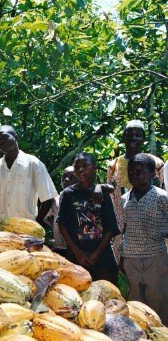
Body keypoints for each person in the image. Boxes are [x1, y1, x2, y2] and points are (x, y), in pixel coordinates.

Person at [58, 152, 120, 284]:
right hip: (75, 258)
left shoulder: (102, 194)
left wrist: (96, 254)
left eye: (85, 166)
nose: (80, 169)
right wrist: (77, 252)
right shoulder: (68, 194)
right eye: (77, 166)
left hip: (102, 259)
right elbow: (62, 225)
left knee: (107, 295)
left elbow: (111, 228)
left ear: (94, 169)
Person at [121, 153, 168, 325]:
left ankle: (162, 331)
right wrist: (121, 256)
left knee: (159, 299)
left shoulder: (162, 197)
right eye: (131, 172)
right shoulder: (125, 199)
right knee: (136, 302)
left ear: (152, 174)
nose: (134, 175)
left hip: (156, 257)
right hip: (131, 257)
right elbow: (122, 228)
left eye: (139, 171)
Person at [107, 120, 164, 261]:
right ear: (124, 137)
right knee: (123, 273)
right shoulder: (114, 165)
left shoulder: (156, 163)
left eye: (138, 135)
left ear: (144, 139)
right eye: (129, 134)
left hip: (151, 228)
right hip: (121, 227)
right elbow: (110, 197)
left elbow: (162, 192)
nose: (133, 138)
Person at [0, 125, 57, 222]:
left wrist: (36, 225)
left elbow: (47, 199)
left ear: (16, 137)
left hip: (27, 231)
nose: (1, 141)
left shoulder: (33, 164)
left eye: (4, 137)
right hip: (2, 232)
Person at [44, 166, 78, 256]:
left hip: (79, 249)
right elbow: (46, 218)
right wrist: (56, 227)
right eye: (64, 176)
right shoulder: (55, 200)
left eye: (71, 177)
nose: (66, 179)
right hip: (60, 248)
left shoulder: (85, 200)